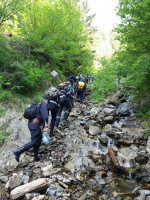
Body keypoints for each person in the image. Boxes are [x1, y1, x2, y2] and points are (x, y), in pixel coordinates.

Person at [13, 95, 50, 162]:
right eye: (48, 102)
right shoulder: (43, 103)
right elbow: (45, 114)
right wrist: (46, 122)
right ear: (46, 100)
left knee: (38, 141)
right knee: (34, 141)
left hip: (33, 123)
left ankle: (35, 157)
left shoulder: (38, 104)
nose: (48, 103)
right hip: (35, 124)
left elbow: (39, 115)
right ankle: (18, 151)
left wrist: (41, 126)